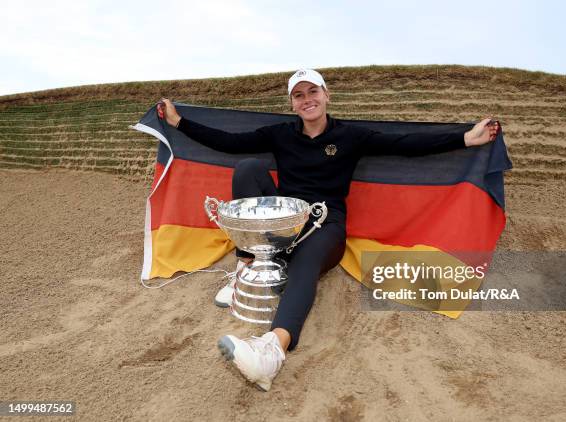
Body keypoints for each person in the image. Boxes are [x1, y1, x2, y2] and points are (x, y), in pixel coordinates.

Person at [157, 69, 499, 391]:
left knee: (306, 264)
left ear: (326, 95)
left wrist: (465, 138)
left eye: (313, 91)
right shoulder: (279, 134)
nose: (307, 99)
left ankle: (272, 351)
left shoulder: (350, 136)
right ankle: (247, 265)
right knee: (248, 168)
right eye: (299, 94)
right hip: (284, 220)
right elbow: (228, 142)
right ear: (292, 103)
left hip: (326, 224)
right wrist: (179, 122)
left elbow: (406, 144)